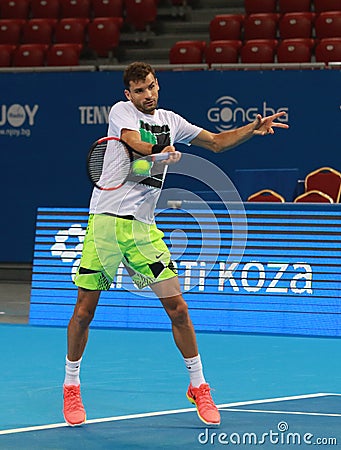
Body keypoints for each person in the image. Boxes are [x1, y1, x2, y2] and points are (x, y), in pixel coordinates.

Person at [63, 62, 289, 427]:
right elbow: (135, 145)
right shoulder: (122, 113)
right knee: (84, 311)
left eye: (151, 87)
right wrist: (162, 150)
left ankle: (199, 386)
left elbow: (216, 142)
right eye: (139, 90)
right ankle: (71, 385)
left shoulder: (172, 119)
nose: (147, 95)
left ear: (158, 85)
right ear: (128, 94)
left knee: (178, 309)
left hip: (142, 229)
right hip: (105, 223)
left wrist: (253, 128)